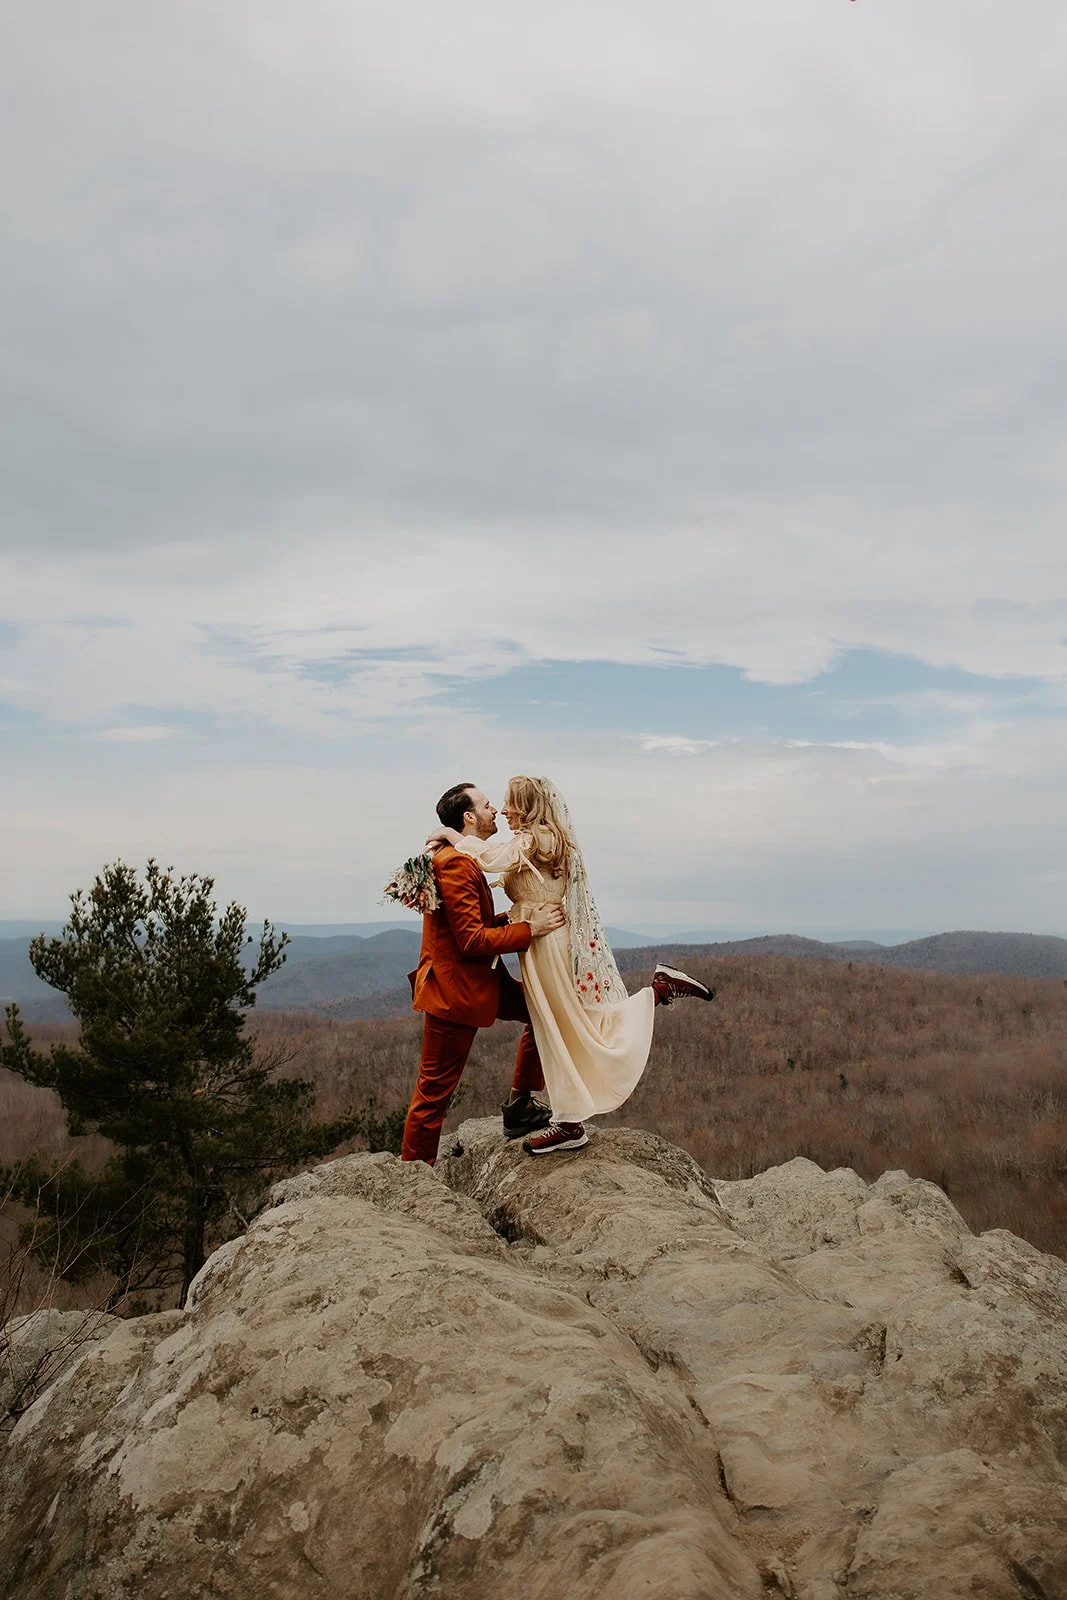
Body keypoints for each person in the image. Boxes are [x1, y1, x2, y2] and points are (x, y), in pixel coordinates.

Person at [426, 775, 712, 1155]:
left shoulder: (535, 838)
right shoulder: (538, 838)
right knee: (560, 1020)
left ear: (526, 806)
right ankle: (565, 1113)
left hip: (544, 943)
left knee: (560, 1024)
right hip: (538, 942)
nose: (504, 810)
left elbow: (489, 859)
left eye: (510, 803)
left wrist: (449, 835)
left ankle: (570, 1122)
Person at [400, 782, 566, 1165]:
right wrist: (531, 929)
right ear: (469, 817)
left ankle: (521, 1105)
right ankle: (413, 1174)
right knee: (433, 1095)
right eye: (487, 805)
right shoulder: (456, 863)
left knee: (546, 1009)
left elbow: (472, 924)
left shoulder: (461, 856)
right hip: (455, 991)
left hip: (480, 980)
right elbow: (471, 940)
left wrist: (514, 916)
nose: (495, 811)